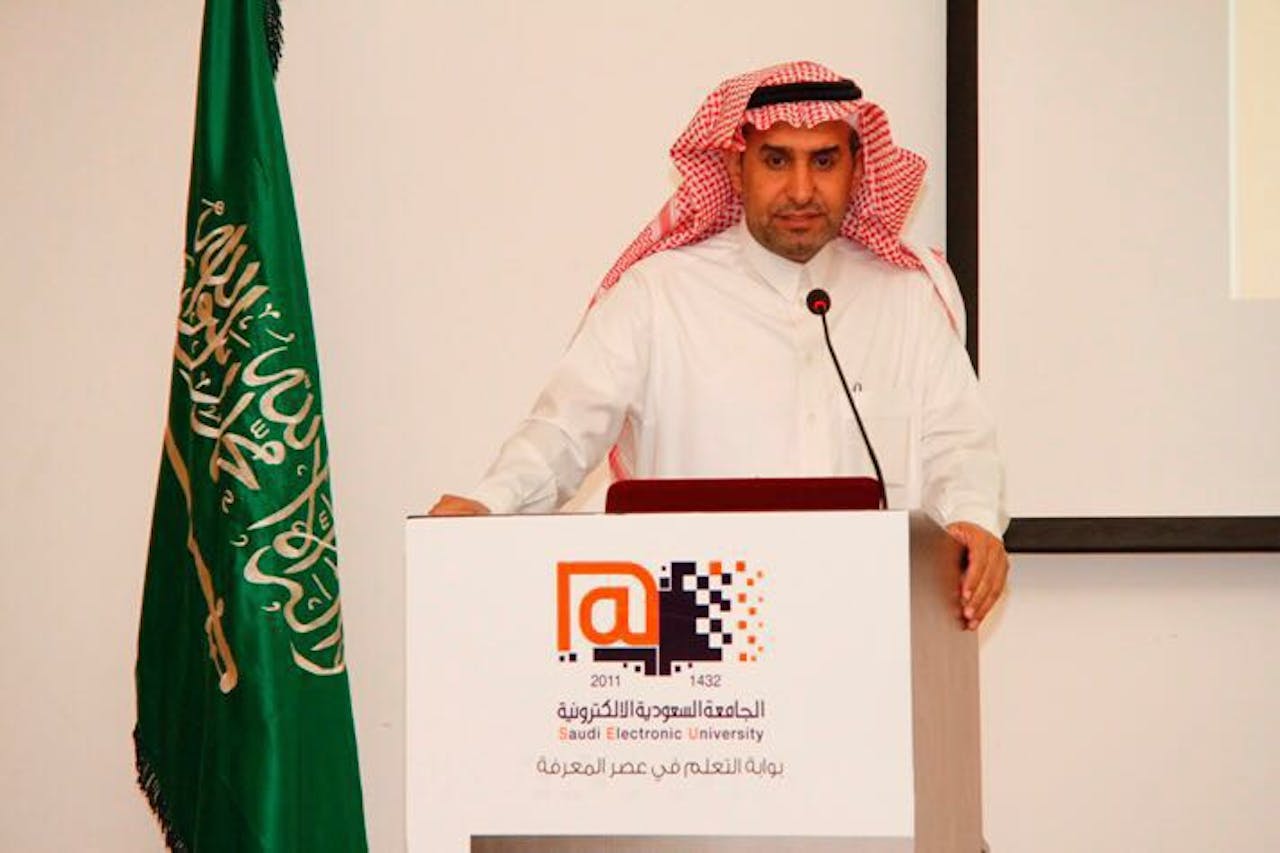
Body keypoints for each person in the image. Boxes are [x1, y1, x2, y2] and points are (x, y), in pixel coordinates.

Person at [431, 61, 1009, 629]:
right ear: (735, 168)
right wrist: (492, 502)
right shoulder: (658, 296)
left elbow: (958, 445)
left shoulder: (907, 299)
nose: (802, 189)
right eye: (776, 160)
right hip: (699, 639)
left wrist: (973, 522)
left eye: (824, 161)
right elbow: (564, 430)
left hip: (865, 624)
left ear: (858, 169)